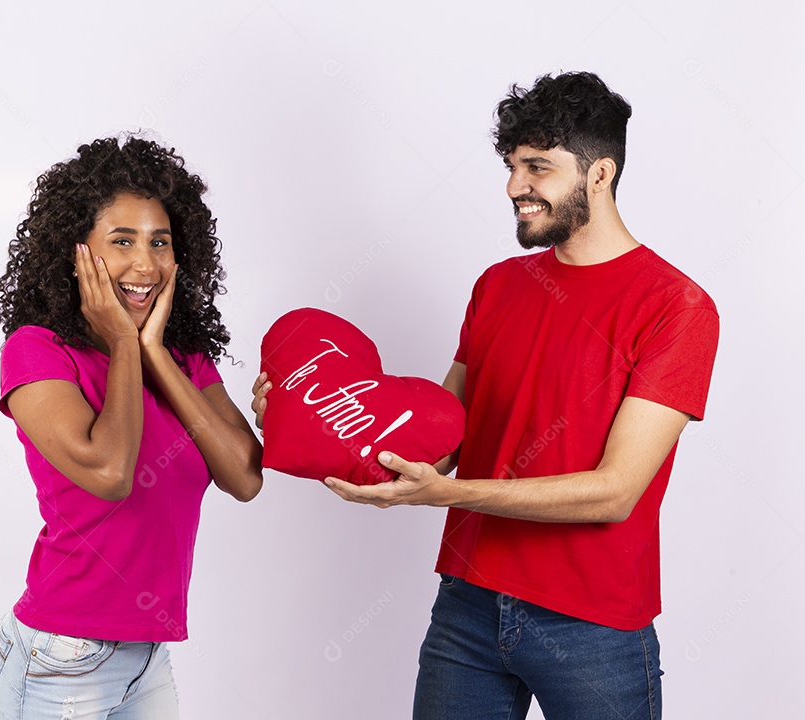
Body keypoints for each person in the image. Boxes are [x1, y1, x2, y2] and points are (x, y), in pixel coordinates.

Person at [253, 72, 718, 719]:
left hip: (594, 625)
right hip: (467, 607)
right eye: (511, 166)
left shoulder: (677, 306)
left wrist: (449, 495)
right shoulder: (498, 286)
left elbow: (614, 492)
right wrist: (306, 412)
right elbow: (438, 443)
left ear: (600, 174)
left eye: (537, 167)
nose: (514, 186)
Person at [0, 136, 263, 719]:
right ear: (77, 252)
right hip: (62, 652)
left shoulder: (181, 357)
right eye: (122, 241)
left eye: (160, 241)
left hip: (146, 655)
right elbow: (111, 473)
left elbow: (243, 476)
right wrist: (124, 343)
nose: (145, 264)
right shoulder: (37, 351)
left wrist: (153, 350)